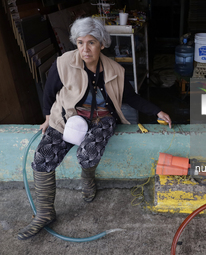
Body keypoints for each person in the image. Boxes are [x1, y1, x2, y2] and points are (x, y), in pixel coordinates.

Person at [18, 17, 171, 240]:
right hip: (68, 115)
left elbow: (130, 97)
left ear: (101, 43)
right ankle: (44, 213)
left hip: (101, 119)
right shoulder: (63, 64)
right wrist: (48, 117)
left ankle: (88, 178)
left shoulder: (115, 70)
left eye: (91, 42)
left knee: (87, 155)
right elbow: (50, 93)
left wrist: (157, 111)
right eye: (80, 42)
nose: (85, 49)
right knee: (42, 159)